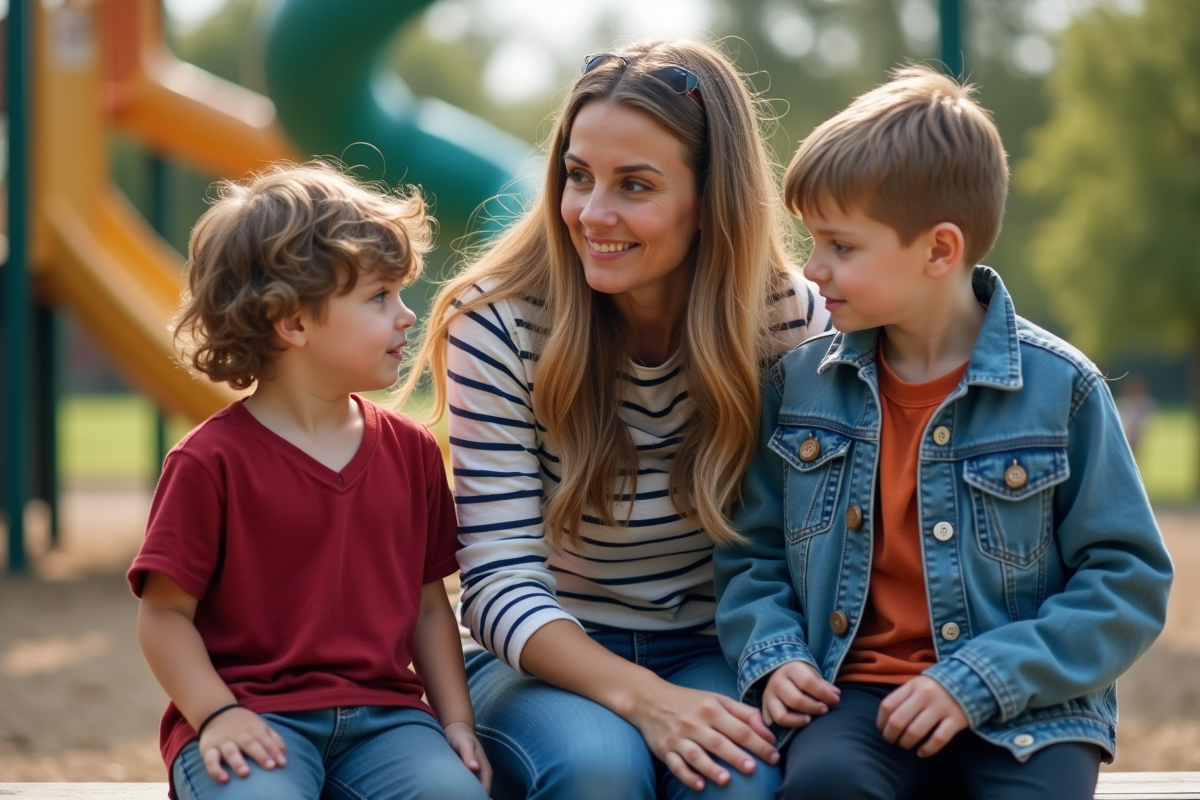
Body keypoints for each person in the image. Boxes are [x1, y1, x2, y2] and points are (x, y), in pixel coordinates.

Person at [713, 66, 1174, 800]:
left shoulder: (1064, 390)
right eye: (813, 241)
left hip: (1028, 707)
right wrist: (776, 657)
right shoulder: (798, 387)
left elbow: (1127, 581)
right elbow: (750, 553)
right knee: (823, 788)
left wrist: (979, 680)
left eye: (841, 246)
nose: (812, 268)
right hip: (852, 694)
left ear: (938, 251)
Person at [400, 40, 831, 799]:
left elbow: (809, 546)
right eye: (577, 176)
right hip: (546, 653)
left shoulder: (789, 317)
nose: (593, 214)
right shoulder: (497, 323)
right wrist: (647, 700)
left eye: (635, 185)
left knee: (742, 776)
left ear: (711, 198)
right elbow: (498, 580)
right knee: (599, 769)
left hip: (721, 643)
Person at [128, 163, 491, 800]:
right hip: (253, 718)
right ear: (292, 323)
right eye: (379, 297)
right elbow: (163, 618)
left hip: (389, 723)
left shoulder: (410, 452)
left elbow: (431, 608)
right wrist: (215, 714)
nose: (407, 316)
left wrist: (456, 722)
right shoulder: (209, 462)